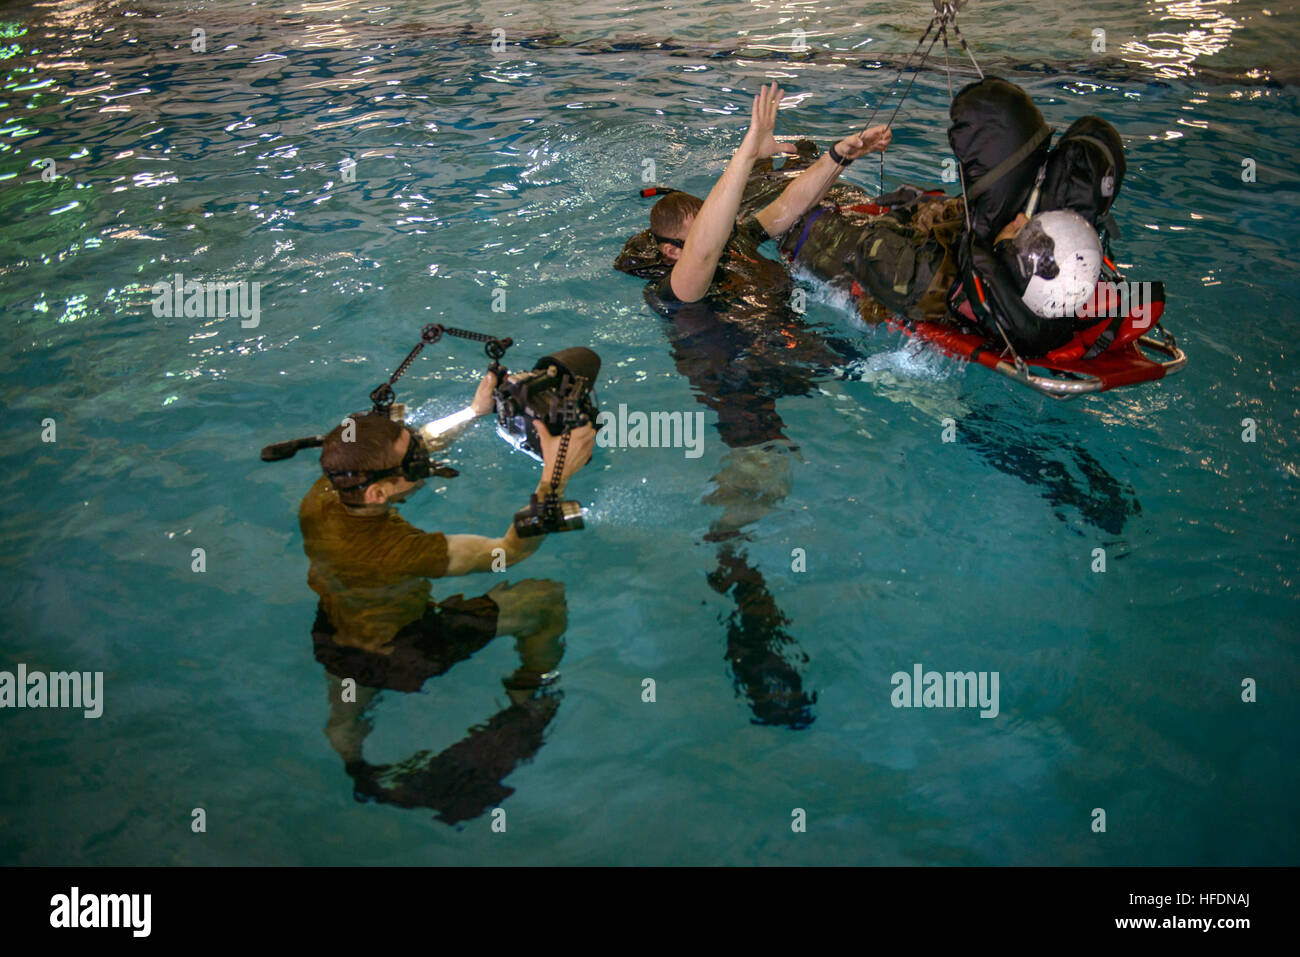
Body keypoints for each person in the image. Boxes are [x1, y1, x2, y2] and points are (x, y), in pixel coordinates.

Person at [298, 372, 595, 824]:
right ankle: (533, 695)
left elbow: (414, 445)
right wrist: (557, 474)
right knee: (544, 599)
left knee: (348, 697)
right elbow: (509, 553)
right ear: (377, 493)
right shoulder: (403, 549)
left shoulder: (327, 491)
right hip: (405, 646)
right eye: (413, 462)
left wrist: (474, 413)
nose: (423, 455)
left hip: (337, 630)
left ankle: (354, 761)